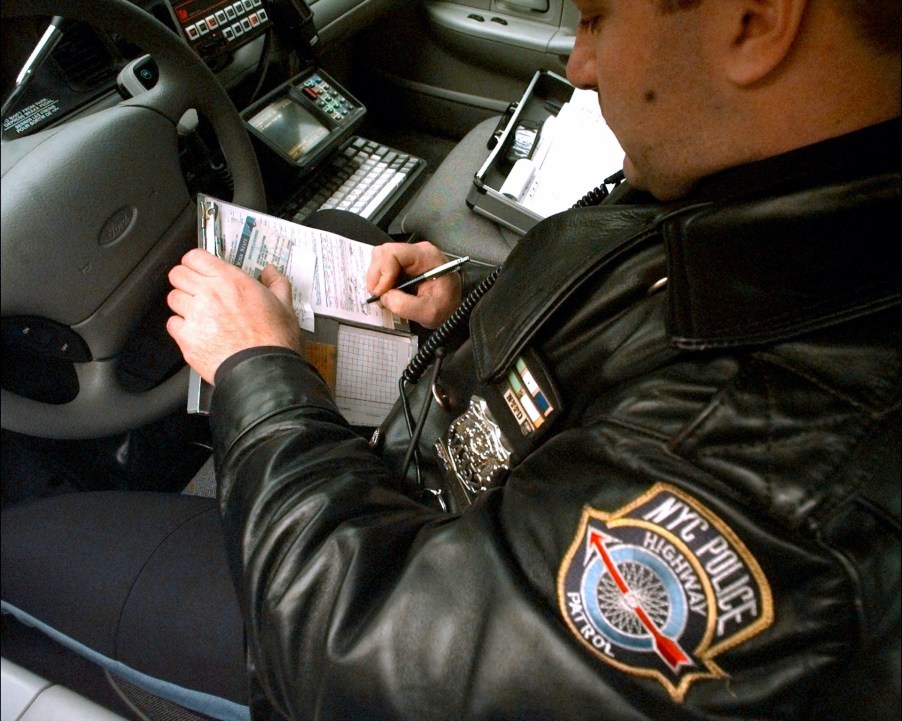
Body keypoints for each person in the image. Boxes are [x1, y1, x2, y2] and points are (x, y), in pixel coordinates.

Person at [2, 0, 899, 720]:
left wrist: (258, 374)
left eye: (596, 20)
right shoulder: (774, 201)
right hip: (437, 479)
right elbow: (632, 326)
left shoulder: (789, 495)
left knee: (23, 546)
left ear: (755, 19)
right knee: (345, 238)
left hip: (351, 607)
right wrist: (467, 305)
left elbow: (362, 666)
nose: (581, 67)